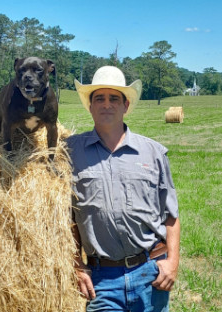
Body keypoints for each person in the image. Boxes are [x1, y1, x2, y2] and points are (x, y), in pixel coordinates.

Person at [67, 66, 180, 312]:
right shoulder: (70, 152)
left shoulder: (153, 152)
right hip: (101, 279)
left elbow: (171, 214)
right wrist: (77, 265)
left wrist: (172, 262)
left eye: (114, 98)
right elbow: (66, 219)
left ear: (126, 105)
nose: (107, 104)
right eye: (99, 98)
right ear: (90, 105)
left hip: (149, 274)